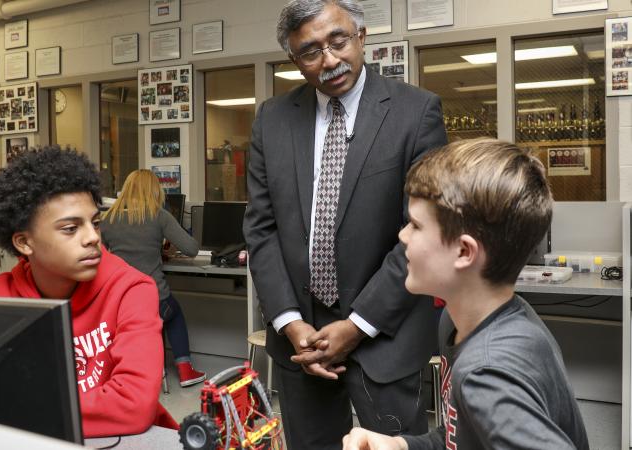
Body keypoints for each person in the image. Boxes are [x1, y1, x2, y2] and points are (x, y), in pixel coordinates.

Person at [242, 0, 447, 447]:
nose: (330, 60)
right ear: (294, 60)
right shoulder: (272, 120)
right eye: (311, 51)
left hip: (384, 334)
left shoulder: (416, 113)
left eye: (339, 41)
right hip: (302, 342)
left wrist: (356, 326)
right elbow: (261, 229)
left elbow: (423, 233)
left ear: (361, 36)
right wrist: (290, 323)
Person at [342, 138, 589, 449]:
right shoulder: (463, 322)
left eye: (416, 226)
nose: (402, 236)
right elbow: (460, 435)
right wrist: (400, 446)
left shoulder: (487, 371)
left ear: (463, 251)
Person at [0, 147, 178, 438]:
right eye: (71, 228)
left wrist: (19, 410)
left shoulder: (133, 289)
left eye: (95, 223)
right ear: (24, 242)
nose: (93, 237)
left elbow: (133, 405)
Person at [101, 169, 206, 388]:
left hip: (121, 304)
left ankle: (144, 370)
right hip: (155, 299)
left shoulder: (108, 219)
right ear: (154, 191)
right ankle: (185, 370)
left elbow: (101, 256)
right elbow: (192, 249)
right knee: (173, 313)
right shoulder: (159, 216)